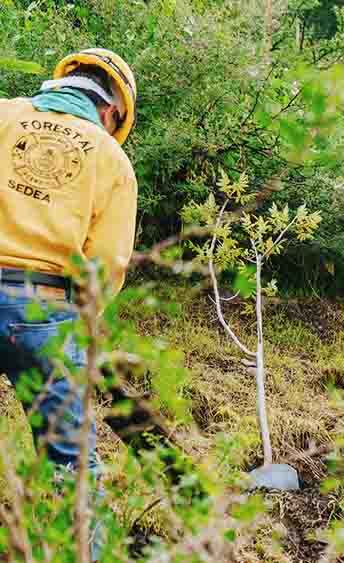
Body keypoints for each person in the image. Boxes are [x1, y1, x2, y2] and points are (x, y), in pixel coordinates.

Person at [0, 48, 138, 559]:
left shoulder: (3, 115)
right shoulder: (110, 157)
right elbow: (106, 266)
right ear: (112, 111)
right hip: (44, 309)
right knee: (70, 467)